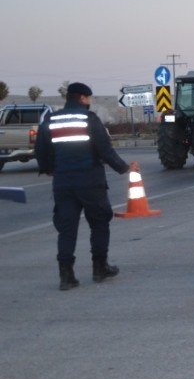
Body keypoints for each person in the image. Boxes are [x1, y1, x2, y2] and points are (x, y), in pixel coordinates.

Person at [34, 82, 138, 291]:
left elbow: (41, 149)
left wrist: (48, 168)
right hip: (90, 181)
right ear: (82, 98)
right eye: (88, 99)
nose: (89, 102)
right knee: (99, 222)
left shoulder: (51, 119)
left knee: (66, 228)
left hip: (63, 182)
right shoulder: (89, 119)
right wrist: (125, 168)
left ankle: (66, 276)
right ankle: (100, 268)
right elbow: (104, 150)